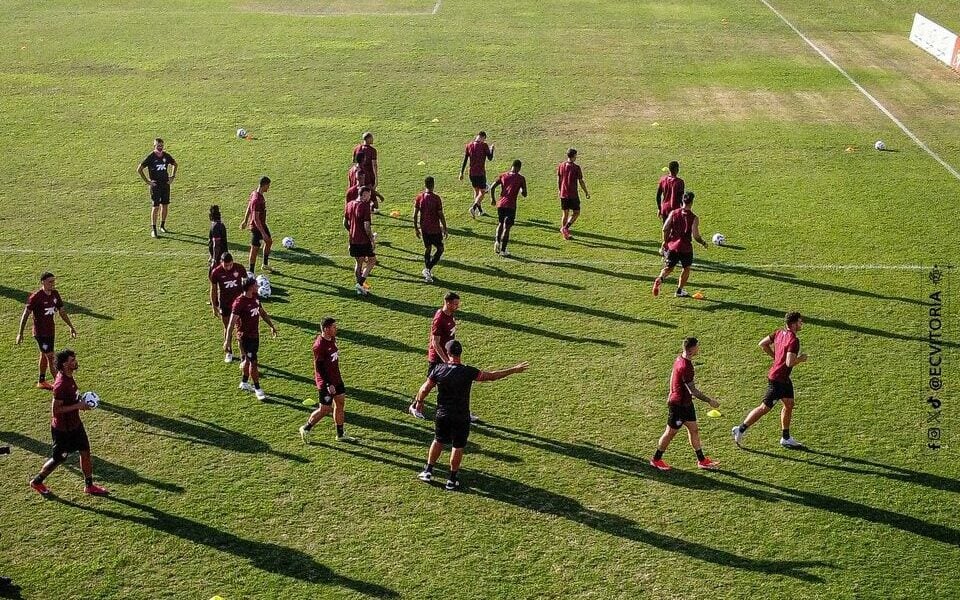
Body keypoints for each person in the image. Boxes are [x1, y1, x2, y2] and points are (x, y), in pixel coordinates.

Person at [416, 341, 528, 490]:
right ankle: (452, 479)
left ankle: (428, 471)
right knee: (458, 446)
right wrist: (513, 370)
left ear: (448, 353)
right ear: (460, 353)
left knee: (438, 441)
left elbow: (424, 389)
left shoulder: (438, 369)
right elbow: (491, 376)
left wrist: (419, 402)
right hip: (461, 416)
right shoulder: (468, 371)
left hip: (443, 414)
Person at [29, 349, 109, 497]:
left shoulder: (69, 376)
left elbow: (71, 399)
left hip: (75, 425)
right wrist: (78, 406)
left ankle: (89, 486)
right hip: (63, 430)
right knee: (59, 458)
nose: (75, 362)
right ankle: (37, 481)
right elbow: (56, 410)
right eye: (72, 360)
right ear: (65, 364)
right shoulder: (61, 384)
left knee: (85, 452)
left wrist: (80, 402)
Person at [732, 312, 808, 449]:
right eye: (800, 322)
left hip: (783, 379)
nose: (801, 324)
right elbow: (790, 362)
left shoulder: (779, 333)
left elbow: (762, 344)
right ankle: (740, 429)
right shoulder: (794, 341)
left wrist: (775, 357)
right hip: (778, 380)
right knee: (764, 408)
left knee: (789, 404)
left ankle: (786, 438)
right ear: (793, 324)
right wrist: (801, 359)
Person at [649, 337, 721, 471]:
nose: (699, 348)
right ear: (692, 349)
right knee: (670, 433)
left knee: (694, 429)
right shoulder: (686, 367)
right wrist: (710, 401)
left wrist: (671, 391)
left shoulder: (679, 359)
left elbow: (673, 375)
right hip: (678, 405)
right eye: (697, 346)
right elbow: (693, 391)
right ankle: (656, 459)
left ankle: (702, 460)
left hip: (686, 403)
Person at [299, 317, 357, 443]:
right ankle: (306, 428)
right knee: (325, 409)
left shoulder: (332, 339)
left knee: (340, 403)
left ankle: (340, 434)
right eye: (334, 327)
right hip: (326, 382)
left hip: (336, 378)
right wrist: (328, 384)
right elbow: (319, 367)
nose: (336, 329)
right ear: (326, 329)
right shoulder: (319, 346)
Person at [16, 272, 77, 390]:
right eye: (50, 282)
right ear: (42, 282)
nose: (53, 284)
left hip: (50, 331)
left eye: (54, 281)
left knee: (44, 356)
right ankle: (61, 385)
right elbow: (26, 314)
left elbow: (62, 312)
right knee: (51, 357)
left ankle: (42, 381)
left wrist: (71, 326)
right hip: (40, 333)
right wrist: (20, 333)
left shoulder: (55, 294)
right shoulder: (36, 297)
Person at [224, 278, 278, 401]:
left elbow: (262, 313)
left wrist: (272, 326)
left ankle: (244, 382)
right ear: (249, 287)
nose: (257, 285)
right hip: (245, 337)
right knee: (253, 362)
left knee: (248, 361)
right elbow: (231, 324)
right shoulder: (239, 302)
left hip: (255, 336)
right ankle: (258, 389)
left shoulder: (255, 298)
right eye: (255, 284)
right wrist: (227, 341)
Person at [409, 291, 460, 419]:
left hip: (448, 355)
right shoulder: (439, 318)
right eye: (455, 304)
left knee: (452, 384)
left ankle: (460, 410)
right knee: (429, 385)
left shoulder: (450, 314)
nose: (457, 306)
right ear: (447, 303)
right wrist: (446, 360)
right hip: (438, 358)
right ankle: (415, 406)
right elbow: (435, 343)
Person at [652, 191, 707, 298]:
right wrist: (703, 242)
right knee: (686, 268)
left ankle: (660, 279)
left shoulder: (674, 213)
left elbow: (665, 228)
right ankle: (679, 290)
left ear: (682, 201)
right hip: (685, 248)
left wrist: (665, 242)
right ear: (691, 202)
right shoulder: (694, 218)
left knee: (668, 268)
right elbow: (696, 236)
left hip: (672, 247)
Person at [209, 252, 247, 363]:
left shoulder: (240, 268)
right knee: (227, 327)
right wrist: (213, 305)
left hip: (239, 304)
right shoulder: (216, 272)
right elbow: (214, 289)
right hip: (225, 304)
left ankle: (243, 355)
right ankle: (228, 352)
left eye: (230, 264)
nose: (229, 267)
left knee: (240, 329)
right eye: (226, 265)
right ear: (221, 263)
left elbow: (246, 285)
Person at [137, 138, 178, 238]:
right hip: (155, 186)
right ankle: (154, 229)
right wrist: (148, 181)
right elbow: (139, 169)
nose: (160, 148)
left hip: (165, 184)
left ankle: (162, 226)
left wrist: (172, 177)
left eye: (161, 146)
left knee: (165, 205)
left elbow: (175, 164)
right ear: (154, 146)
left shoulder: (166, 156)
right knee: (155, 207)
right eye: (158, 146)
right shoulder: (151, 157)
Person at [488, 159, 527, 257]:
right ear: (519, 168)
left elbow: (492, 187)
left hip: (501, 204)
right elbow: (525, 194)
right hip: (511, 205)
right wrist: (522, 190)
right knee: (507, 227)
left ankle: (497, 242)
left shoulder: (503, 175)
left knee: (500, 223)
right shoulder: (521, 178)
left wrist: (493, 199)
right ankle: (503, 250)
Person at [413, 176, 448, 283]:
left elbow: (414, 215)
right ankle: (427, 269)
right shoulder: (436, 198)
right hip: (434, 229)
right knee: (440, 249)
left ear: (425, 184)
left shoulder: (419, 197)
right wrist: (445, 228)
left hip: (424, 228)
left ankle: (427, 270)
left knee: (428, 248)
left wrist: (416, 228)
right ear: (433, 185)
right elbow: (440, 214)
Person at [344, 186, 377, 295]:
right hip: (363, 240)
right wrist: (372, 239)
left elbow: (345, 222)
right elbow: (366, 226)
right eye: (369, 195)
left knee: (359, 263)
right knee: (372, 261)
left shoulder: (349, 205)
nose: (370, 197)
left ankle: (360, 288)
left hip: (353, 240)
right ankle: (360, 283)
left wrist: (352, 231)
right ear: (363, 195)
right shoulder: (364, 206)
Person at [239, 176, 272, 275]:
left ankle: (265, 264)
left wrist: (244, 220)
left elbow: (249, 206)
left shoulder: (255, 194)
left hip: (262, 224)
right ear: (264, 185)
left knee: (269, 242)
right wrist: (263, 233)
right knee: (255, 249)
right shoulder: (257, 200)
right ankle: (251, 272)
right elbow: (255, 219)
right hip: (256, 227)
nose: (268, 188)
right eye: (268, 186)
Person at [557, 148, 590, 240]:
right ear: (573, 156)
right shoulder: (576, 168)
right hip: (572, 195)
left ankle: (565, 234)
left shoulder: (561, 165)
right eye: (576, 155)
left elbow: (559, 179)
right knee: (576, 212)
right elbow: (581, 181)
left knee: (565, 214)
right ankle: (565, 228)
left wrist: (560, 190)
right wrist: (586, 192)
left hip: (563, 194)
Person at [459, 131, 495, 217]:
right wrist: (492, 150)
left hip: (471, 173)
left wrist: (461, 172)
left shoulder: (469, 145)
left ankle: (481, 211)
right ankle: (473, 208)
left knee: (476, 191)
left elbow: (465, 160)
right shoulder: (484, 145)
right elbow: (490, 158)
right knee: (482, 192)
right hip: (480, 173)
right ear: (483, 137)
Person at [208, 205, 228, 272]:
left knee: (214, 277)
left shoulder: (215, 226)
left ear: (211, 215)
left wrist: (214, 259)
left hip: (219, 259)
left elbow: (216, 244)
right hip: (223, 256)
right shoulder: (221, 224)